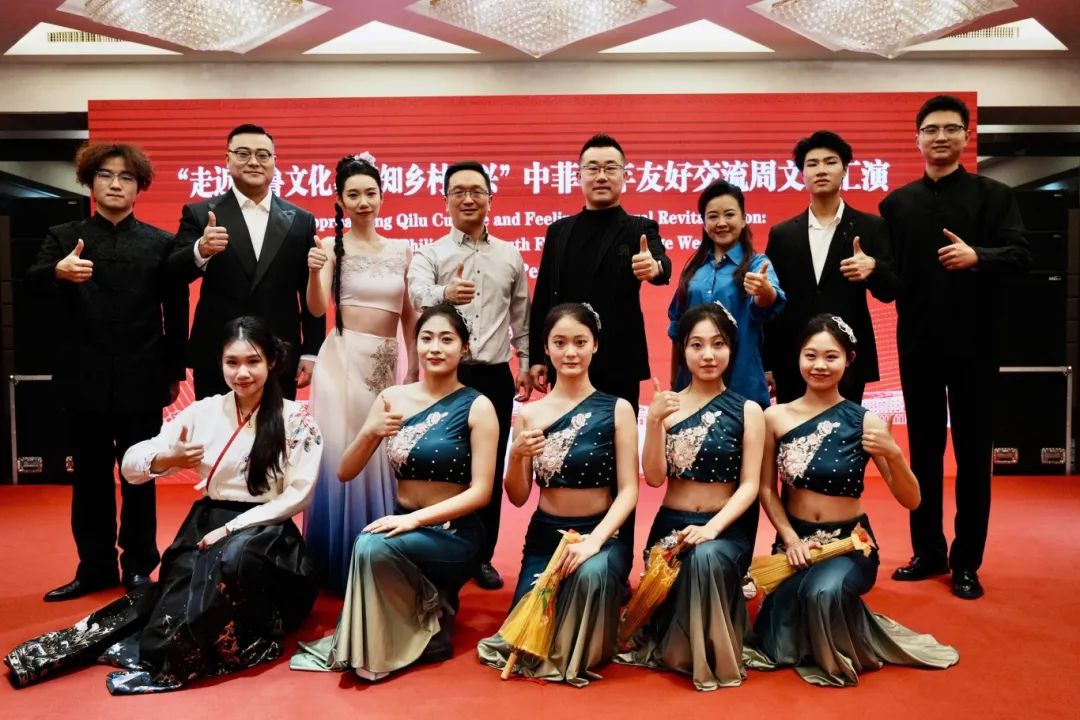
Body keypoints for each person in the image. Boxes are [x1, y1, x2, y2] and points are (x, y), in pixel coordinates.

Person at [5, 316, 322, 693]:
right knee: (158, 601)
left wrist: (232, 528)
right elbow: (131, 465)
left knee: (229, 565)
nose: (242, 373)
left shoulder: (296, 418)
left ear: (272, 362)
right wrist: (166, 459)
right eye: (232, 362)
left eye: (253, 361)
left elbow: (298, 494)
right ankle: (53, 656)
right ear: (219, 364)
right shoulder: (203, 412)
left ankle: (172, 654)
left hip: (265, 537)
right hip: (207, 524)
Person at [744, 314, 959, 686]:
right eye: (811, 355)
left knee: (821, 592)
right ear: (798, 357)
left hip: (849, 545)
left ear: (849, 360)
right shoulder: (775, 417)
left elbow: (912, 500)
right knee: (776, 631)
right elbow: (765, 489)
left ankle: (838, 635)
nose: (820, 365)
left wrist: (893, 453)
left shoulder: (865, 422)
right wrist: (791, 540)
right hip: (796, 544)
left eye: (831, 357)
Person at [291, 303, 498, 680]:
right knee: (371, 544)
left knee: (370, 545)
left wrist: (415, 521)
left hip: (453, 534)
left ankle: (397, 634)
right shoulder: (392, 398)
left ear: (464, 348)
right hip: (404, 525)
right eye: (427, 338)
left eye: (447, 340)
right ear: (415, 344)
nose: (435, 348)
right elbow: (344, 471)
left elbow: (481, 492)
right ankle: (421, 624)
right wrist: (371, 432)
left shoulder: (478, 406)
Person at [881, 95, 1030, 599]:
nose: (940, 137)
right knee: (923, 454)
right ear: (917, 139)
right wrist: (872, 272)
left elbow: (1022, 256)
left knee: (971, 456)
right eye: (931, 129)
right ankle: (928, 552)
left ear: (966, 136)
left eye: (950, 128)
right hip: (918, 345)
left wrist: (977, 256)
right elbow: (892, 281)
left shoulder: (994, 195)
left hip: (976, 346)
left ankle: (967, 562)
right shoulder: (896, 205)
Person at [25, 142, 187, 602]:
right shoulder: (63, 236)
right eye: (105, 175)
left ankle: (138, 566)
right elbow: (30, 288)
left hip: (142, 376)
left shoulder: (160, 243)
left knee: (140, 476)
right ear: (89, 183)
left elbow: (175, 311)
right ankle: (94, 567)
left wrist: (174, 371)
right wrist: (57, 273)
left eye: (126, 177)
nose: (116, 184)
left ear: (139, 186)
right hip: (83, 378)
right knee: (89, 480)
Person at [478, 303, 638, 687]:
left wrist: (595, 541)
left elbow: (629, 490)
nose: (570, 352)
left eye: (580, 342)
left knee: (589, 577)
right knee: (524, 632)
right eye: (560, 343)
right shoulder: (530, 416)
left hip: (600, 538)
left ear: (595, 345)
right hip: (546, 538)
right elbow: (518, 496)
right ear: (546, 348)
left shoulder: (618, 409)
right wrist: (518, 455)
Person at [529, 133, 669, 550]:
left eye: (611, 167)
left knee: (617, 459)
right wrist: (537, 357)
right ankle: (559, 541)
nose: (601, 175)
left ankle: (616, 549)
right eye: (593, 167)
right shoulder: (559, 231)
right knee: (569, 453)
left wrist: (654, 266)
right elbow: (544, 295)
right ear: (579, 175)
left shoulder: (640, 228)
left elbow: (660, 262)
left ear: (624, 175)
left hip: (617, 363)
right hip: (568, 363)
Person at [616, 303, 764, 691]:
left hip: (725, 530)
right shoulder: (669, 407)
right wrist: (654, 422)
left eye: (718, 344)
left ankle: (697, 655)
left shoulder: (749, 410)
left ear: (731, 349)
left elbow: (750, 486)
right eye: (697, 345)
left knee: (705, 558)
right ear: (682, 350)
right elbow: (654, 478)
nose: (708, 355)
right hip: (671, 526)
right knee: (691, 558)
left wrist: (711, 529)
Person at [408, 160, 532, 591]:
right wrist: (444, 293)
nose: (467, 198)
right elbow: (417, 293)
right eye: (458, 191)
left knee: (488, 469)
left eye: (476, 191)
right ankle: (438, 548)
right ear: (445, 201)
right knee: (443, 465)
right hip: (444, 378)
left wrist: (526, 362)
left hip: (494, 376)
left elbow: (521, 315)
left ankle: (481, 556)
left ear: (490, 199)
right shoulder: (431, 254)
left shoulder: (510, 255)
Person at [303, 153, 418, 592]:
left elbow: (410, 315)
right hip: (343, 362)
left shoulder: (402, 249)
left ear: (383, 197)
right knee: (347, 452)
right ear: (340, 200)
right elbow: (317, 308)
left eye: (370, 193)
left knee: (386, 455)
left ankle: (383, 556)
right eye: (353, 194)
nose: (363, 202)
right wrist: (314, 272)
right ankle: (339, 563)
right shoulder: (331, 247)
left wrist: (414, 366)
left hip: (388, 360)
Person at [168, 123, 322, 400]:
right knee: (215, 427)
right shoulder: (200, 213)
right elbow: (172, 273)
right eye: (243, 153)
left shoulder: (301, 220)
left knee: (275, 426)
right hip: (218, 352)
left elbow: (310, 288)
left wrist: (311, 350)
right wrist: (200, 249)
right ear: (227, 160)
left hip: (278, 352)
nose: (253, 162)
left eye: (263, 155)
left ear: (274, 161)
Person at [764, 130, 899, 403]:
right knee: (792, 429)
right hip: (794, 356)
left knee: (845, 428)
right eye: (812, 164)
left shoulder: (871, 226)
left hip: (847, 355)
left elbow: (890, 290)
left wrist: (873, 269)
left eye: (830, 162)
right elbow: (773, 304)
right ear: (802, 174)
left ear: (845, 170)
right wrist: (768, 363)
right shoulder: (782, 234)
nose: (821, 170)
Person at [668, 180, 785, 408]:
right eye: (713, 216)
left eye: (729, 214)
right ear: (704, 224)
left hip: (742, 387)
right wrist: (674, 384)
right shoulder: (694, 270)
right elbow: (677, 331)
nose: (721, 223)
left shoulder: (757, 264)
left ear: (743, 219)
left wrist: (763, 290)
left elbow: (768, 301)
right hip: (691, 388)